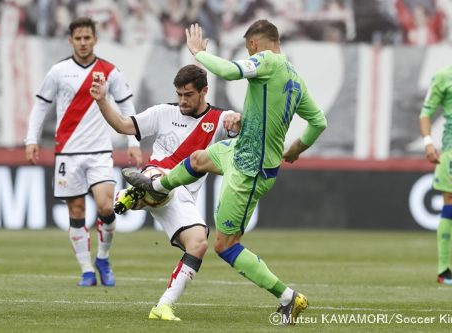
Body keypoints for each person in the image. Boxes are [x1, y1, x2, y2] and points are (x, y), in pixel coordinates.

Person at [122, 20, 327, 325]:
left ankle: (289, 297)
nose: (249, 54)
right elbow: (318, 121)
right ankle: (159, 187)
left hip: (250, 170)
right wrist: (296, 149)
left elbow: (230, 72)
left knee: (224, 245)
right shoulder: (296, 80)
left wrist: (198, 53)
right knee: (200, 158)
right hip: (239, 150)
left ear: (255, 45)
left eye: (248, 49)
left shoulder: (267, 60)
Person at [89, 64, 241, 320]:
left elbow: (245, 139)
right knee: (156, 177)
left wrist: (238, 120)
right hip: (157, 176)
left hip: (183, 197)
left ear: (204, 91)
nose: (182, 100)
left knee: (199, 244)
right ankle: (144, 191)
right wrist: (103, 100)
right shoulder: (163, 112)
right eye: (179, 94)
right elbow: (124, 126)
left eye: (188, 95)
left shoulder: (218, 119)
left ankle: (163, 305)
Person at [24, 17, 143, 287]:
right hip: (67, 152)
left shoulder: (110, 71)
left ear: (95, 40)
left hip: (100, 150)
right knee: (76, 213)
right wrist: (31, 139)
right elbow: (41, 106)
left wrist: (134, 143)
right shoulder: (58, 71)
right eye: (78, 38)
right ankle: (87, 270)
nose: (83, 43)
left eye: (87, 38)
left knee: (105, 206)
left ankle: (103, 257)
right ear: (70, 40)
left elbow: (127, 107)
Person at [419, 25, 452, 286]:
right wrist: (428, 142)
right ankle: (444, 271)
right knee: (450, 207)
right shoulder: (443, 77)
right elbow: (426, 112)